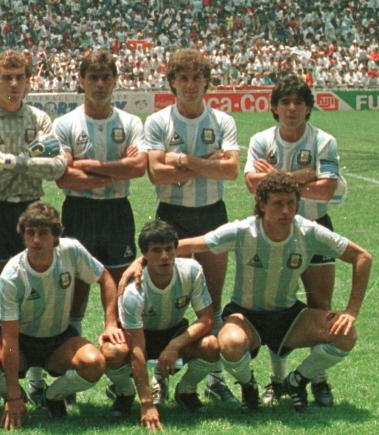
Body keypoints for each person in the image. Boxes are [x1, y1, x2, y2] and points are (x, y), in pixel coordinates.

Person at [177, 172, 372, 412]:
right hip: (246, 316)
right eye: (278, 204)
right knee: (229, 343)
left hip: (289, 316)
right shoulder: (242, 231)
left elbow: (362, 257)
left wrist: (351, 311)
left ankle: (296, 381)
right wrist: (142, 261)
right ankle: (249, 386)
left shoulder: (308, 231)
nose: (286, 211)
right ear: (261, 204)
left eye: (291, 203)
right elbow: (188, 245)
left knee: (346, 334)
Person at [0, 49, 67, 414]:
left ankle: (37, 379)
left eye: (19, 77)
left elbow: (56, 165)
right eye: (5, 77)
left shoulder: (39, 117)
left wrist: (7, 160)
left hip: (30, 211)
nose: (12, 84)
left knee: (38, 292)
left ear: (27, 81)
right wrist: (23, 160)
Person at [0, 201, 126, 429]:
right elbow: (10, 338)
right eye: (30, 233)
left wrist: (110, 323)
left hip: (59, 341)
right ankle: (16, 392)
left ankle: (53, 396)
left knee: (94, 363)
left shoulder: (71, 250)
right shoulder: (12, 274)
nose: (36, 240)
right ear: (23, 236)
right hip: (20, 344)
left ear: (56, 235)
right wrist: (12, 396)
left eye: (43, 233)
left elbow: (106, 279)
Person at [143, 48, 240, 403]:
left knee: (210, 301)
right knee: (162, 296)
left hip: (212, 213)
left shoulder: (222, 121)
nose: (190, 85)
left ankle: (212, 377)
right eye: (182, 78)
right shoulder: (158, 121)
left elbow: (230, 170)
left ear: (206, 83)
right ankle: (159, 373)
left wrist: (181, 160)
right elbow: (156, 172)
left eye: (197, 78)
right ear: (172, 83)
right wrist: (205, 163)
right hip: (171, 215)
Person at [244, 72, 346, 407]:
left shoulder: (324, 141)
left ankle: (316, 378)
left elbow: (327, 189)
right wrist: (304, 175)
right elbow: (251, 184)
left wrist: (275, 178)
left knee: (321, 307)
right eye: (284, 102)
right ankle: (276, 379)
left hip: (315, 228)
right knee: (277, 306)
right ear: (273, 107)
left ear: (308, 109)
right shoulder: (261, 140)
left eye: (298, 102)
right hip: (273, 233)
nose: (291, 108)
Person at [53, 50, 146, 409]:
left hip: (117, 213)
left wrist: (91, 167)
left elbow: (138, 168)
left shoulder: (131, 122)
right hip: (78, 212)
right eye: (93, 78)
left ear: (116, 80)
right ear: (81, 81)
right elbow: (64, 177)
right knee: (74, 291)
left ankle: (122, 384)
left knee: (123, 291)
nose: (100, 84)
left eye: (106, 77)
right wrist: (114, 170)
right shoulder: (65, 124)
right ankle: (70, 373)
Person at [115, 220, 219, 429]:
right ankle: (125, 393)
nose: (164, 256)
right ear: (144, 255)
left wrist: (174, 346)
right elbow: (136, 349)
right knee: (111, 352)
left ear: (176, 249)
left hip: (174, 332)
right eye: (156, 250)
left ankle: (186, 390)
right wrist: (147, 405)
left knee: (212, 345)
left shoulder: (191, 270)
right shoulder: (134, 290)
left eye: (169, 249)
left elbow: (207, 319)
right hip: (140, 335)